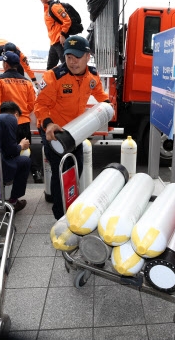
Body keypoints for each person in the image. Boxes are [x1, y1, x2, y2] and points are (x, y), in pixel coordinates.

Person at [34, 35, 109, 219]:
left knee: (76, 167)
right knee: (62, 169)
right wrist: (48, 123)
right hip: (54, 130)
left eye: (77, 56)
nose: (72, 61)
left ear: (87, 56)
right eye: (68, 56)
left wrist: (108, 107)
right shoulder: (53, 77)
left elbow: (100, 95)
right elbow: (40, 105)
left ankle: (71, 202)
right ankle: (61, 215)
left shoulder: (92, 76)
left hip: (76, 130)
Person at [0, 51, 43, 183]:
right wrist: (22, 114)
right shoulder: (27, 82)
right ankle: (36, 172)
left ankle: (8, 177)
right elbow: (31, 104)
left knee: (7, 151)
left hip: (5, 124)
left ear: (5, 64)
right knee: (26, 148)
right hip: (23, 123)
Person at [37, 0, 72, 70]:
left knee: (67, 66)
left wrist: (63, 34)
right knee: (50, 68)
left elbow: (67, 20)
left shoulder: (55, 6)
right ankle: (49, 83)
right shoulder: (47, 8)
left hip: (60, 41)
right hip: (53, 42)